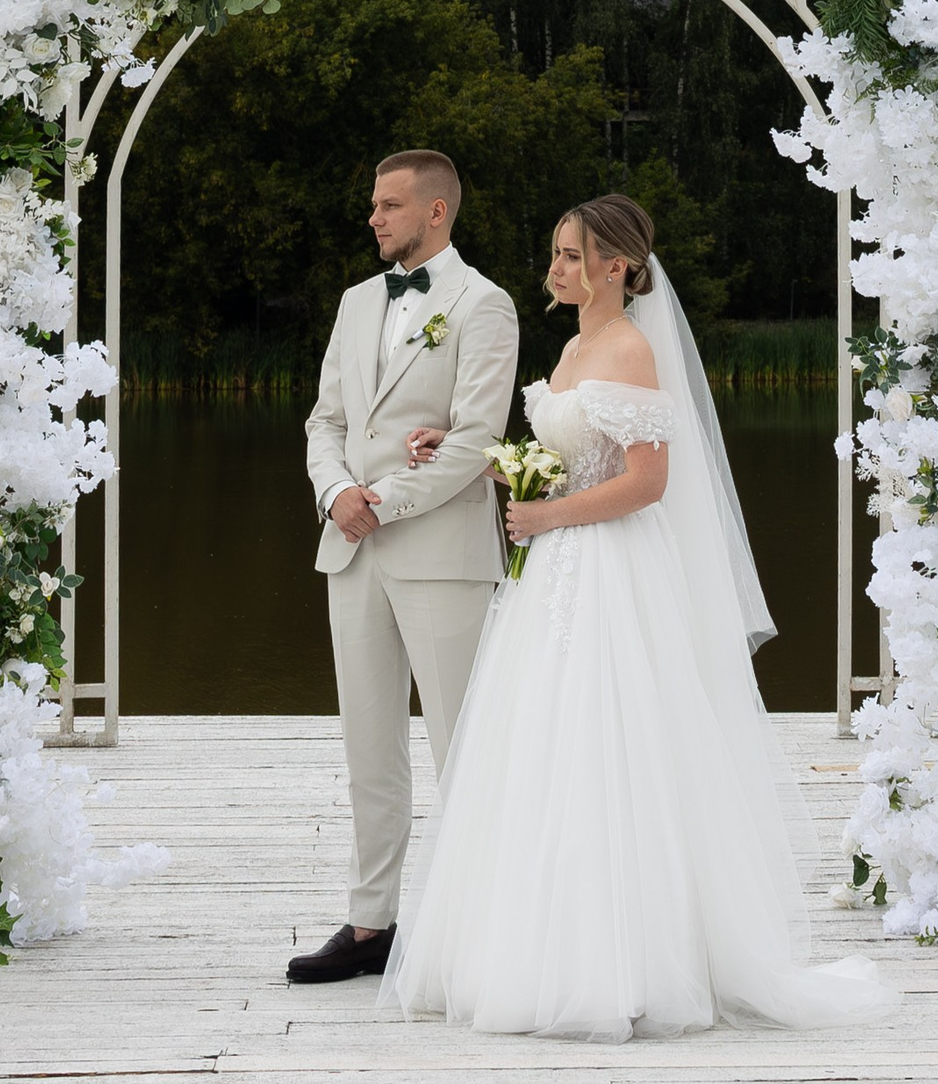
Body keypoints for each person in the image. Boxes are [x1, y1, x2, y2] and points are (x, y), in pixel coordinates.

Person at [379, 193, 890, 1040]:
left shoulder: (631, 348)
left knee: (612, 745)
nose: (556, 268)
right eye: (555, 253)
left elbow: (647, 482)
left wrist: (544, 518)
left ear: (617, 265)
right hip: (555, 574)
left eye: (572, 256)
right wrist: (478, 466)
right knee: (543, 747)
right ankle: (535, 951)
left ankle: (628, 963)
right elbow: (561, 466)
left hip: (612, 569)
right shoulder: (576, 344)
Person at [289, 149, 520, 985]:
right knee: (368, 748)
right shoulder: (356, 303)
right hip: (349, 551)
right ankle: (370, 923)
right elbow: (325, 420)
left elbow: (476, 440)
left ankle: (474, 926)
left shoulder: (484, 306)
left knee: (461, 744)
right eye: (373, 204)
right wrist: (336, 495)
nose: (375, 218)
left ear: (436, 212)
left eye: (390, 205)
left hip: (440, 554)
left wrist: (379, 500)